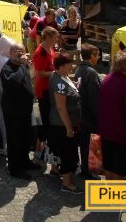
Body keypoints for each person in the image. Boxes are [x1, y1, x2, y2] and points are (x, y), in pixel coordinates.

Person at [98, 50, 126, 180]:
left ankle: (109, 191)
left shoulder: (107, 79)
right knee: (119, 169)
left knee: (109, 165)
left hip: (106, 130)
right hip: (121, 134)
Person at [1, 43, 38, 179]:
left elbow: (29, 80)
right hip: (13, 111)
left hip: (25, 109)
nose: (20, 53)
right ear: (10, 53)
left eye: (22, 51)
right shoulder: (7, 68)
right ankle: (15, 169)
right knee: (15, 139)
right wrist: (23, 65)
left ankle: (25, 162)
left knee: (25, 137)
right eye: (16, 51)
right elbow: (14, 81)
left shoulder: (23, 66)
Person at [48, 52, 82, 194]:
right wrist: (69, 128)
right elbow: (61, 107)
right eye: (69, 64)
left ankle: (55, 170)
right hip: (62, 125)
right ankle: (67, 183)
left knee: (59, 149)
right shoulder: (59, 83)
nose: (72, 66)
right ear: (61, 66)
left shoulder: (60, 76)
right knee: (69, 152)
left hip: (61, 123)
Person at [74, 43, 102, 179]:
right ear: (92, 55)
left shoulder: (79, 70)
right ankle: (89, 170)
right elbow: (95, 98)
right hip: (91, 115)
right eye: (97, 55)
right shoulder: (91, 72)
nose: (99, 58)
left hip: (82, 112)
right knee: (92, 144)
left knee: (85, 143)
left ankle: (85, 168)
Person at [32, 26, 59, 158]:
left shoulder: (50, 48)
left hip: (49, 88)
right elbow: (40, 73)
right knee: (44, 120)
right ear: (47, 37)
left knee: (47, 119)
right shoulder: (40, 52)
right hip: (43, 90)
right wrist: (56, 73)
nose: (57, 39)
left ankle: (43, 147)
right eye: (55, 37)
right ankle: (38, 148)